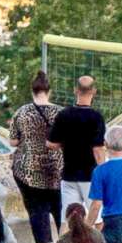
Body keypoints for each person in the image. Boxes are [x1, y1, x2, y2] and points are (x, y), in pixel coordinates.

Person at [11, 71, 64, 243]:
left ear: (32, 90)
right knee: (61, 209)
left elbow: (14, 142)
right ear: (49, 90)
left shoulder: (22, 112)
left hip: (29, 170)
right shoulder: (61, 113)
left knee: (37, 209)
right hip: (57, 169)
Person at [50, 74, 108, 218]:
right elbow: (98, 150)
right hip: (90, 176)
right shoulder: (96, 117)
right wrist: (104, 173)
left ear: (75, 90)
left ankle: (63, 241)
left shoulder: (63, 115)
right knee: (97, 219)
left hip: (69, 175)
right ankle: (98, 241)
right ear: (93, 91)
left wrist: (66, 142)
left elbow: (51, 143)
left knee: (68, 219)